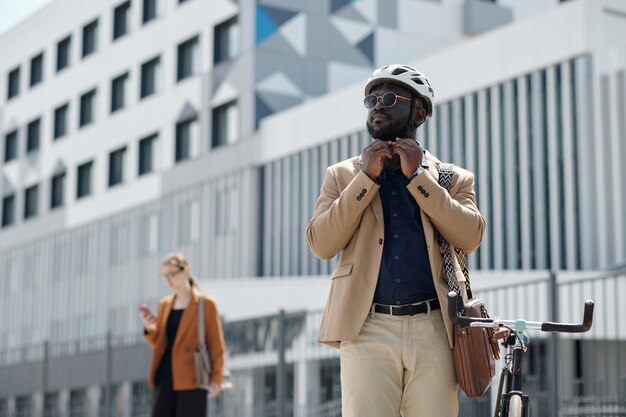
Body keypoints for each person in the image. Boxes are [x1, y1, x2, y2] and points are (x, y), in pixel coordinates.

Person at [306, 64, 486, 417]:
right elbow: (321, 243)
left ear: (419, 110)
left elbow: (470, 236)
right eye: (371, 99)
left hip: (435, 329)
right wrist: (364, 178)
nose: (378, 106)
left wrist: (419, 176)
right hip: (366, 328)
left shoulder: (452, 178)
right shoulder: (341, 176)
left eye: (389, 98)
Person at [140, 252, 225, 417]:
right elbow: (159, 343)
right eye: (164, 276)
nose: (168, 280)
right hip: (165, 375)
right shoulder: (164, 304)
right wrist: (149, 328)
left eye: (172, 274)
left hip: (193, 375)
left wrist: (216, 379)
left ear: (185, 270)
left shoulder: (205, 304)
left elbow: (216, 344)